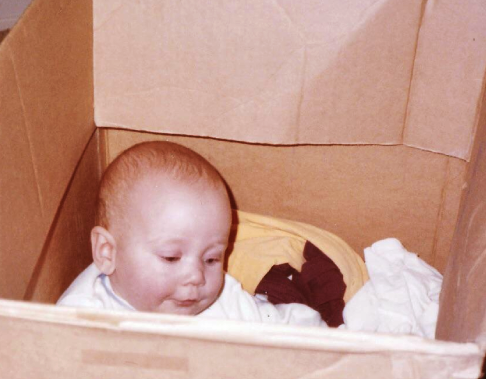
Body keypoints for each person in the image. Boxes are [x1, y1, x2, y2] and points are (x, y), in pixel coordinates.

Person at [57, 140, 324, 327]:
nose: (197, 276)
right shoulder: (81, 319)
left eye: (211, 259)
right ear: (107, 252)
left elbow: (287, 331)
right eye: (171, 258)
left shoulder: (226, 303)